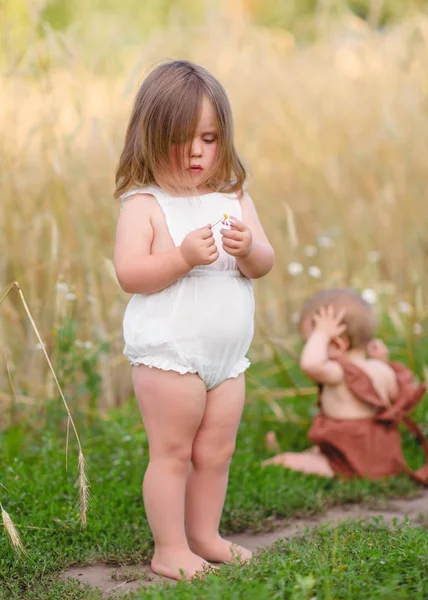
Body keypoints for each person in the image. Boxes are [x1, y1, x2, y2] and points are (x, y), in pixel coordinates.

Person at [113, 60, 275, 580]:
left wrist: (249, 248)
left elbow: (265, 263)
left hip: (227, 360)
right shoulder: (145, 205)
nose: (197, 151)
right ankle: (170, 548)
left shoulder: (234, 197)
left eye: (209, 137)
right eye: (183, 138)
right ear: (151, 136)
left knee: (217, 450)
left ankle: (205, 534)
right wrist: (182, 257)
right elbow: (130, 274)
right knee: (174, 452)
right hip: (171, 356)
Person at [263, 289, 428, 485]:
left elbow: (309, 365)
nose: (309, 347)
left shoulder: (339, 373)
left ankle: (277, 461)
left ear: (337, 345)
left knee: (290, 461)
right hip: (376, 452)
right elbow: (392, 397)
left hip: (349, 457)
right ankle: (307, 458)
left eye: (311, 342)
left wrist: (321, 333)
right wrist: (382, 361)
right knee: (317, 453)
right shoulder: (381, 369)